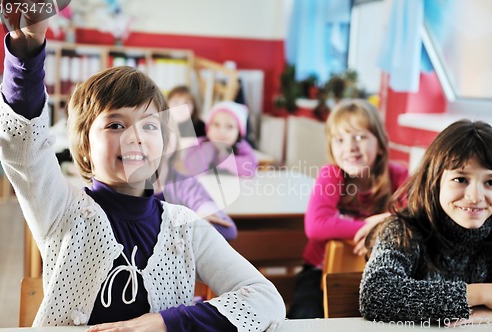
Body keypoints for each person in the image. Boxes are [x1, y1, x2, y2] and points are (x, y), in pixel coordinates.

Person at [0, 9, 285, 331]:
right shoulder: (62, 209)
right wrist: (27, 47)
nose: (135, 138)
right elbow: (23, 146)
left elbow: (265, 299)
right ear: (85, 145)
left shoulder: (184, 226)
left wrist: (164, 323)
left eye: (149, 126)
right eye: (116, 125)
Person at [360, 120, 492, 325]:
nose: (475, 196)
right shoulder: (403, 231)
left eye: (490, 182)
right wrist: (482, 294)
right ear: (434, 181)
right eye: (460, 179)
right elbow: (377, 294)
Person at [287, 99, 408, 319]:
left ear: (380, 145)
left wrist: (385, 225)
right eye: (340, 139)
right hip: (320, 273)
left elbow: (418, 219)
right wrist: (371, 228)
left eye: (360, 137)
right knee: (306, 317)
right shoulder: (331, 175)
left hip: (379, 274)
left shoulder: (398, 176)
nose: (350, 147)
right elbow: (316, 226)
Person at [154, 115, 237, 240]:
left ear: (175, 140)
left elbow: (227, 229)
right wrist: (190, 222)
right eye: (151, 128)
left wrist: (194, 222)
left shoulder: (185, 184)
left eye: (167, 130)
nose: (162, 136)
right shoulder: (126, 186)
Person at [183, 100, 258, 177]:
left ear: (239, 133)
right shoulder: (199, 143)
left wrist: (227, 160)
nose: (222, 131)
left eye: (229, 126)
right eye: (216, 125)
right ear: (208, 129)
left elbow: (250, 169)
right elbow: (190, 168)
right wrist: (207, 151)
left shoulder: (241, 146)